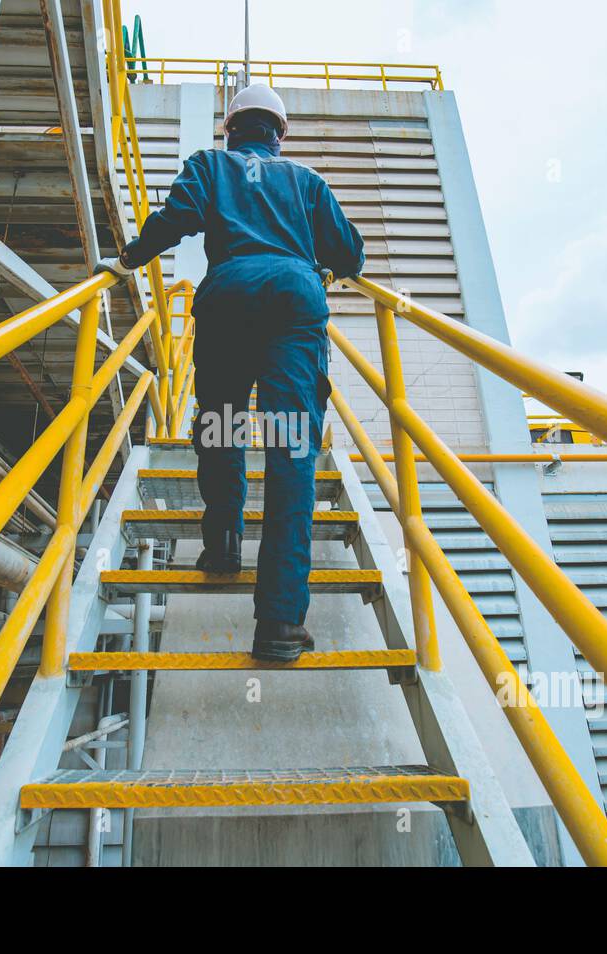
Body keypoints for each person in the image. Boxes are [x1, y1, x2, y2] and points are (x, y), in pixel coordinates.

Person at [95, 84, 364, 662]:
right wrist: (317, 265)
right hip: (294, 301)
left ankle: (221, 547)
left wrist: (126, 260)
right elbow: (351, 255)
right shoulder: (306, 182)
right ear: (280, 134)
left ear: (231, 128)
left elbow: (177, 219)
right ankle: (280, 625)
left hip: (226, 299)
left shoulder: (208, 165)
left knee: (221, 429)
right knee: (292, 453)